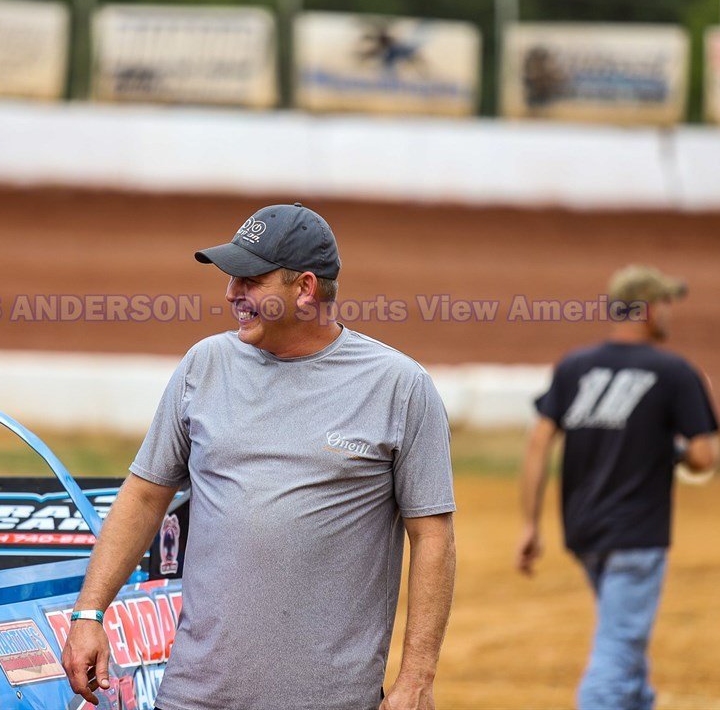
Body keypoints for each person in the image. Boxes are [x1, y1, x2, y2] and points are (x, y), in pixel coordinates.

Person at [61, 202, 457, 710]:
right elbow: (143, 495)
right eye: (231, 278)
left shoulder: (399, 387)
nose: (231, 293)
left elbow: (433, 535)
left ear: (305, 288)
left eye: (250, 280)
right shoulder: (204, 365)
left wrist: (418, 676)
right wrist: (89, 613)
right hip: (192, 697)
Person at [516, 265, 720, 710]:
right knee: (618, 649)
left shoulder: (575, 365)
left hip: (584, 531)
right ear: (647, 310)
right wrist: (675, 451)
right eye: (665, 304)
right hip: (638, 534)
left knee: (623, 637)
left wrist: (530, 524)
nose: (669, 313)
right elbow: (705, 457)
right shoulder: (674, 372)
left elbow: (538, 442)